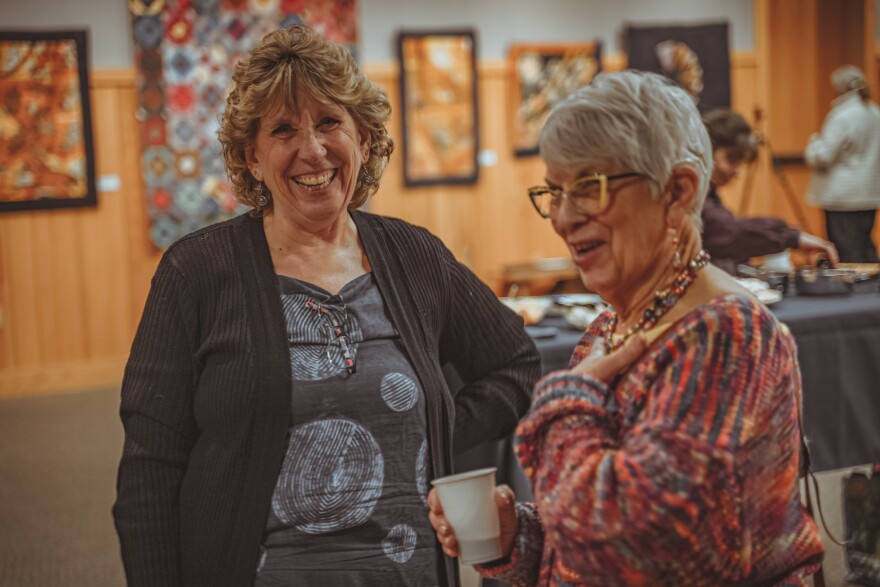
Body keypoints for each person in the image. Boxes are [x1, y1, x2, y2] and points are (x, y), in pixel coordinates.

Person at [112, 25, 540, 587]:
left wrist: (434, 428)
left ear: (363, 139)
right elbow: (150, 471)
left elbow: (514, 362)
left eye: (330, 121)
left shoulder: (415, 255)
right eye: (284, 129)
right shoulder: (197, 272)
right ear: (252, 156)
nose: (312, 149)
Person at [429, 71, 825, 586]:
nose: (563, 218)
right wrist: (518, 535)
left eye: (589, 187)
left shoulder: (727, 336)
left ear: (677, 193)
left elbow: (644, 553)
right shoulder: (609, 328)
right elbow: (584, 528)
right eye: (554, 191)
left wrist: (563, 402)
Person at [701, 108, 837, 274]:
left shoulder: (710, 193)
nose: (737, 172)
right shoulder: (692, 195)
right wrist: (792, 237)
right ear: (706, 151)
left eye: (739, 162)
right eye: (732, 160)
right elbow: (726, 232)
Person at [806, 65, 880, 263]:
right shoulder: (874, 112)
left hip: (842, 197)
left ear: (839, 88)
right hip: (869, 194)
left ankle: (850, 291)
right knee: (865, 246)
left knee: (846, 251)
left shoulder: (842, 115)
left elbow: (824, 156)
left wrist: (814, 143)